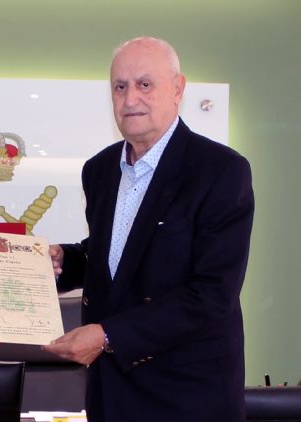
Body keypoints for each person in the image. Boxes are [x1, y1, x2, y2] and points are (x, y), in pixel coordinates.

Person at [43, 37, 254, 421]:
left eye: (144, 84)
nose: (129, 99)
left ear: (178, 89)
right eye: (119, 86)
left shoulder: (221, 170)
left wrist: (107, 336)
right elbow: (121, 256)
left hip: (187, 397)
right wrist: (65, 260)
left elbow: (211, 294)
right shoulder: (100, 169)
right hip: (112, 396)